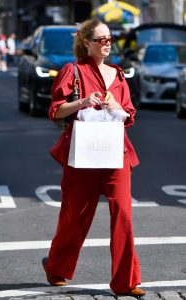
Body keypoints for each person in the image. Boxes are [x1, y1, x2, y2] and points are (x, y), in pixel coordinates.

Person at [42, 19, 145, 297]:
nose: (107, 43)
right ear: (86, 43)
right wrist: (83, 102)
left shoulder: (118, 74)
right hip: (83, 155)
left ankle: (127, 281)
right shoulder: (72, 70)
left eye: (110, 38)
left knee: (123, 214)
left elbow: (129, 115)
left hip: (116, 152)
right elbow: (56, 111)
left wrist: (116, 107)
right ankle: (55, 265)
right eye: (101, 39)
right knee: (75, 217)